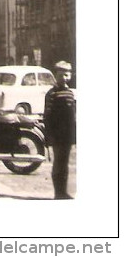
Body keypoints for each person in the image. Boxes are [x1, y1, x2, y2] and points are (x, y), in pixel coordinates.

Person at [43, 60, 76, 199]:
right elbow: (47, 115)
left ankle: (64, 191)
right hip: (57, 133)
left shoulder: (70, 93)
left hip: (67, 134)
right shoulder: (51, 93)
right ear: (56, 75)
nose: (64, 78)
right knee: (58, 162)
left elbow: (72, 116)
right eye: (61, 75)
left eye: (67, 75)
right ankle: (58, 193)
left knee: (65, 163)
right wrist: (49, 135)